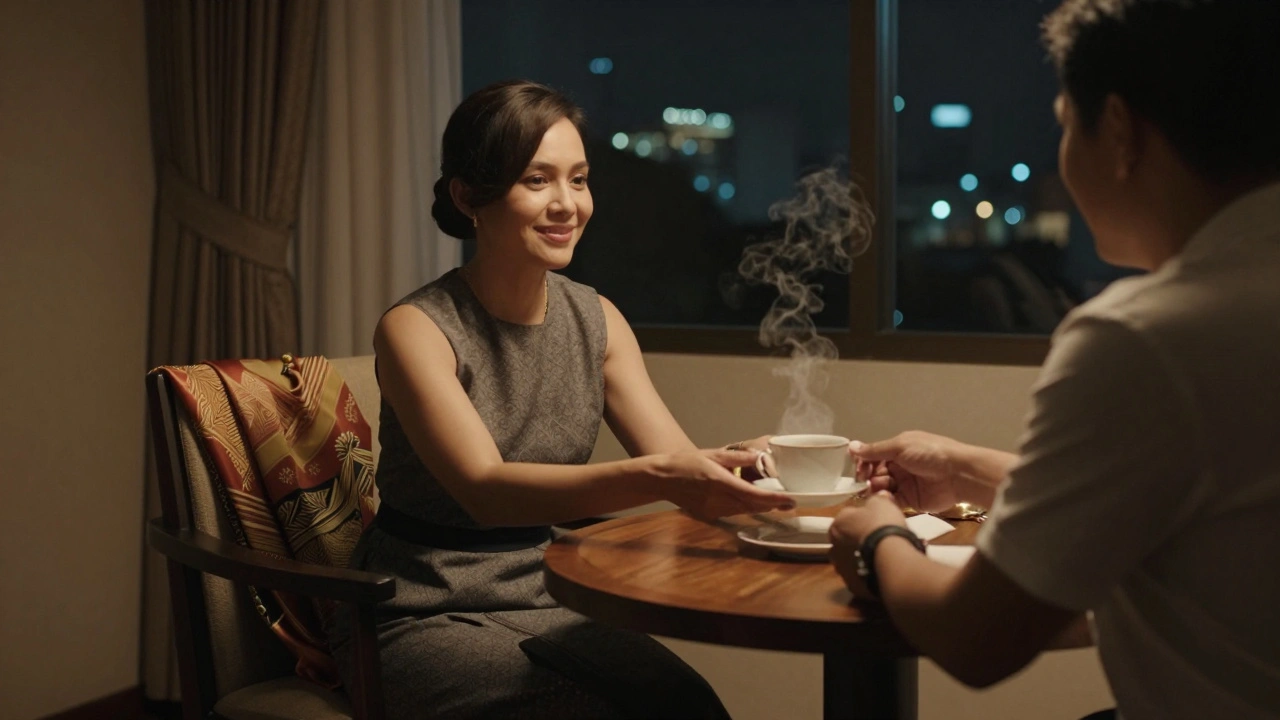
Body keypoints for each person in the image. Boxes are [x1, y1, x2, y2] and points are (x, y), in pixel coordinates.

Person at [825, 1, 1280, 719]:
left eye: (1067, 124)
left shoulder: (1147, 337)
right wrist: (964, 465)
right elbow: (1207, 503)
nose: (1062, 157)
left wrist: (877, 538)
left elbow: (976, 640)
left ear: (1122, 131)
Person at [325, 79, 793, 720]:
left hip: (557, 593)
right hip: (420, 607)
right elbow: (486, 491)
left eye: (579, 179)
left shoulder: (597, 320)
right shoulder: (418, 328)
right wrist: (669, 476)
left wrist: (741, 460)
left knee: (690, 706)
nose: (567, 205)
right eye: (538, 180)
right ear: (470, 197)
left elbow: (678, 462)